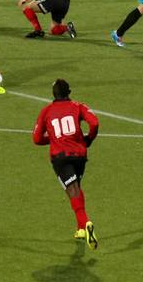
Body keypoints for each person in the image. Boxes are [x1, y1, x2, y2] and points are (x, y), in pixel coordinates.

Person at [32, 78, 101, 248]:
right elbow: (94, 122)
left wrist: (54, 139)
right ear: (69, 92)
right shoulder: (78, 106)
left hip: (60, 157)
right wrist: (89, 139)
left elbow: (37, 138)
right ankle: (81, 229)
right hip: (79, 155)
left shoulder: (46, 111)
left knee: (72, 189)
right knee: (76, 187)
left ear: (53, 95)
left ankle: (86, 222)